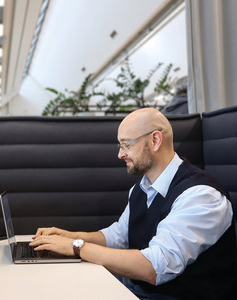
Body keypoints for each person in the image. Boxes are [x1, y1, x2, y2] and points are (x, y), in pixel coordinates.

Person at [30, 108, 236, 299]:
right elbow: (119, 235)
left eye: (126, 144)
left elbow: (155, 267)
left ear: (155, 140)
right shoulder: (142, 188)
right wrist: (70, 237)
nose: (120, 154)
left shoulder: (201, 195)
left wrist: (76, 247)